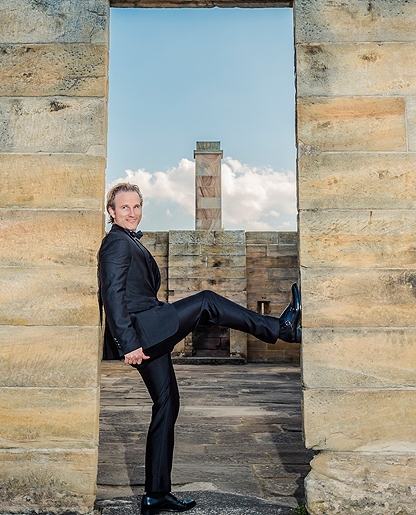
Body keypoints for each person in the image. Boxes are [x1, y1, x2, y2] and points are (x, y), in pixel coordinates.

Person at [98, 182, 301, 514]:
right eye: (124, 207)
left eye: (136, 206)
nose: (132, 213)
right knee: (207, 301)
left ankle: (156, 495)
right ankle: (281, 328)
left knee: (167, 405)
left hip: (149, 328)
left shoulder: (129, 241)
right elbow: (112, 294)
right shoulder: (116, 243)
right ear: (111, 211)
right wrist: (128, 343)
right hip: (144, 331)